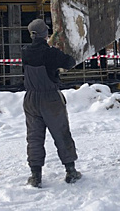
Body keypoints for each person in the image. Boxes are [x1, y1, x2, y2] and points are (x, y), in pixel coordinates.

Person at [21, 18, 81, 187]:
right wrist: (57, 48)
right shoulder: (51, 53)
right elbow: (69, 62)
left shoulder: (25, 52)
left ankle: (35, 176)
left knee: (34, 137)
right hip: (50, 99)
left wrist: (50, 44)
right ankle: (71, 171)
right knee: (61, 134)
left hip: (31, 99)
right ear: (45, 33)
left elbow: (38, 54)